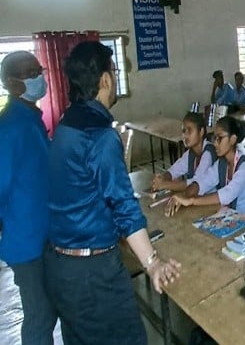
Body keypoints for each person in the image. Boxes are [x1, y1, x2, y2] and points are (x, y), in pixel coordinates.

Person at [46, 41, 180, 344]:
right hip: (93, 274)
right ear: (105, 79)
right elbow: (123, 205)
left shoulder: (67, 123)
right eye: (115, 72)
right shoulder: (100, 136)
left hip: (62, 266)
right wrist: (152, 262)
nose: (117, 79)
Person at [0, 51, 57, 344]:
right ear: (11, 83)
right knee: (39, 314)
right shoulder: (8, 128)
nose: (39, 77)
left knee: (49, 310)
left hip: (44, 236)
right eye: (29, 72)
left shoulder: (31, 118)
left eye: (39, 69)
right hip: (26, 242)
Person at [168, 116, 245, 217]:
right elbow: (204, 181)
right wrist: (184, 195)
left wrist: (191, 200)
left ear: (232, 139)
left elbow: (228, 194)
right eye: (214, 138)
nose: (215, 143)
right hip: (229, 216)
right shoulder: (221, 163)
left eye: (219, 138)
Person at [151, 112, 217, 194]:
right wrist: (162, 178)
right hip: (197, 197)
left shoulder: (209, 152)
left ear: (201, 132)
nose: (185, 135)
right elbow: (174, 170)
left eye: (189, 131)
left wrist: (165, 185)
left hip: (211, 199)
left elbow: (195, 183)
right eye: (183, 131)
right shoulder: (191, 153)